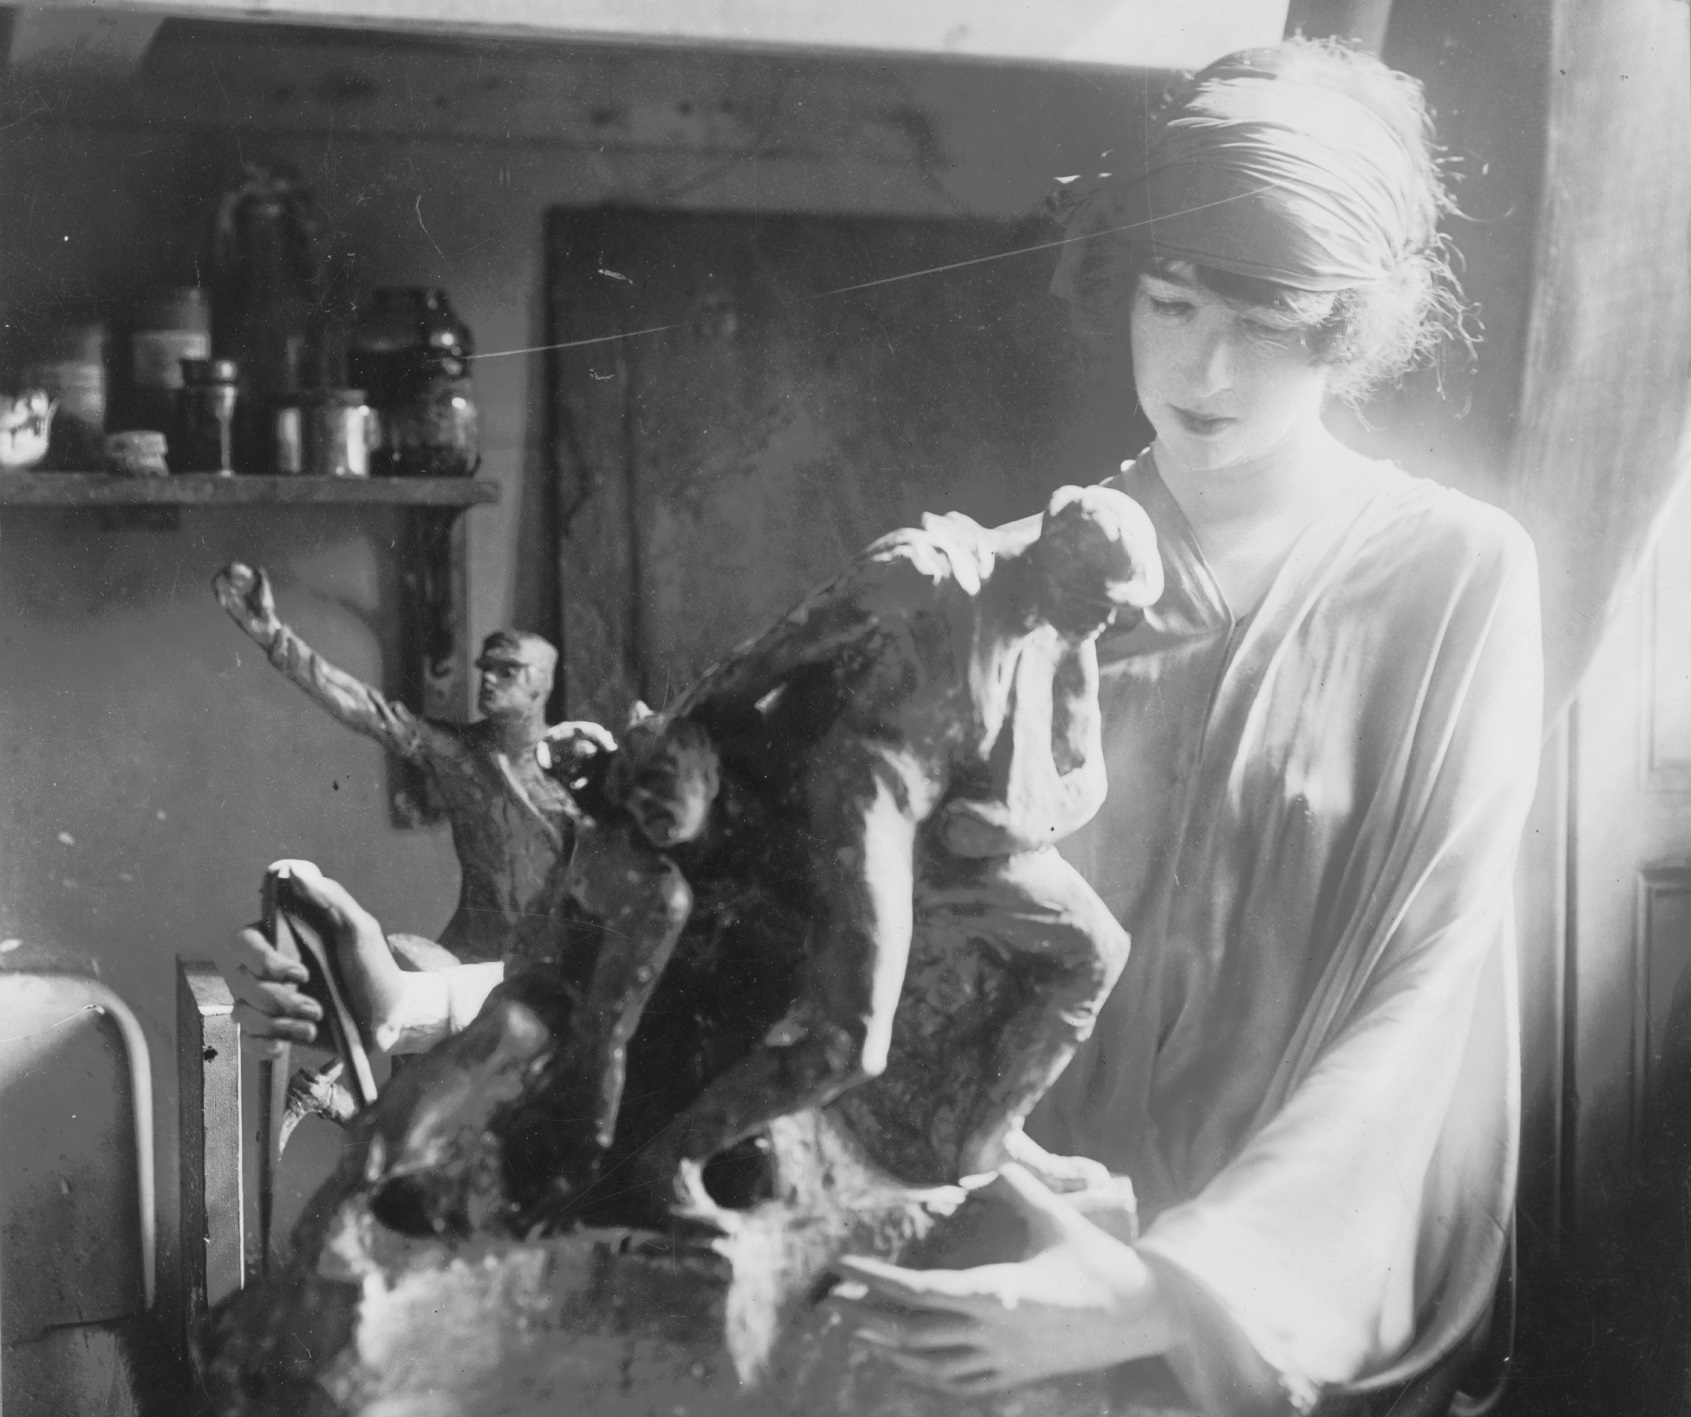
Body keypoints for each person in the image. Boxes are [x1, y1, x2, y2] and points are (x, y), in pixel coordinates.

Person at [828, 37, 1542, 1417]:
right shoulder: (1001, 581)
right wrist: (459, 999)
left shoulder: (1455, 581)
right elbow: (841, 915)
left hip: (1271, 1330)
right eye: (1169, 303)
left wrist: (1164, 1293)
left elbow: (1426, 991)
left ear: (1345, 327)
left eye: (1266, 322)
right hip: (994, 1286)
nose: (1205, 365)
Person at [213, 562, 586, 967]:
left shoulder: (579, 761)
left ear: (542, 682)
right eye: (486, 669)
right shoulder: (458, 752)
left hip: (555, 961)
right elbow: (364, 707)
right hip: (473, 954)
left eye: (507, 670)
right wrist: (271, 636)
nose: (490, 679)